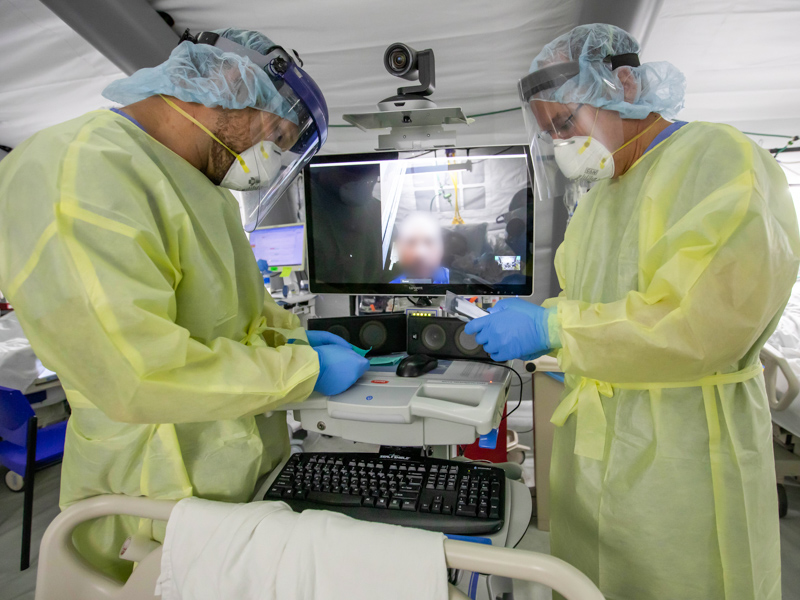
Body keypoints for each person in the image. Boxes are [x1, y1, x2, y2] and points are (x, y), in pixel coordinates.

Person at [0, 28, 369, 580]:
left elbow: (239, 312)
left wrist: (293, 337)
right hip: (149, 497)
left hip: (235, 479)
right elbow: (137, 371)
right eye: (275, 133)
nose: (270, 157)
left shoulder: (205, 187)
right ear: (223, 85)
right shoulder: (80, 167)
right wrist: (304, 369)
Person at [467, 24, 800, 600]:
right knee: (591, 581)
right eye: (549, 133)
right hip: (595, 451)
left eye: (566, 123)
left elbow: (700, 324)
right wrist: (543, 317)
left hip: (685, 456)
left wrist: (553, 328)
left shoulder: (719, 160)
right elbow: (593, 301)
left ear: (621, 83)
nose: (560, 144)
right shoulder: (602, 196)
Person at [390, 212, 450, 284]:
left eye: (429, 241)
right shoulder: (390, 287)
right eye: (410, 242)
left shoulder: (455, 278)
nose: (420, 253)